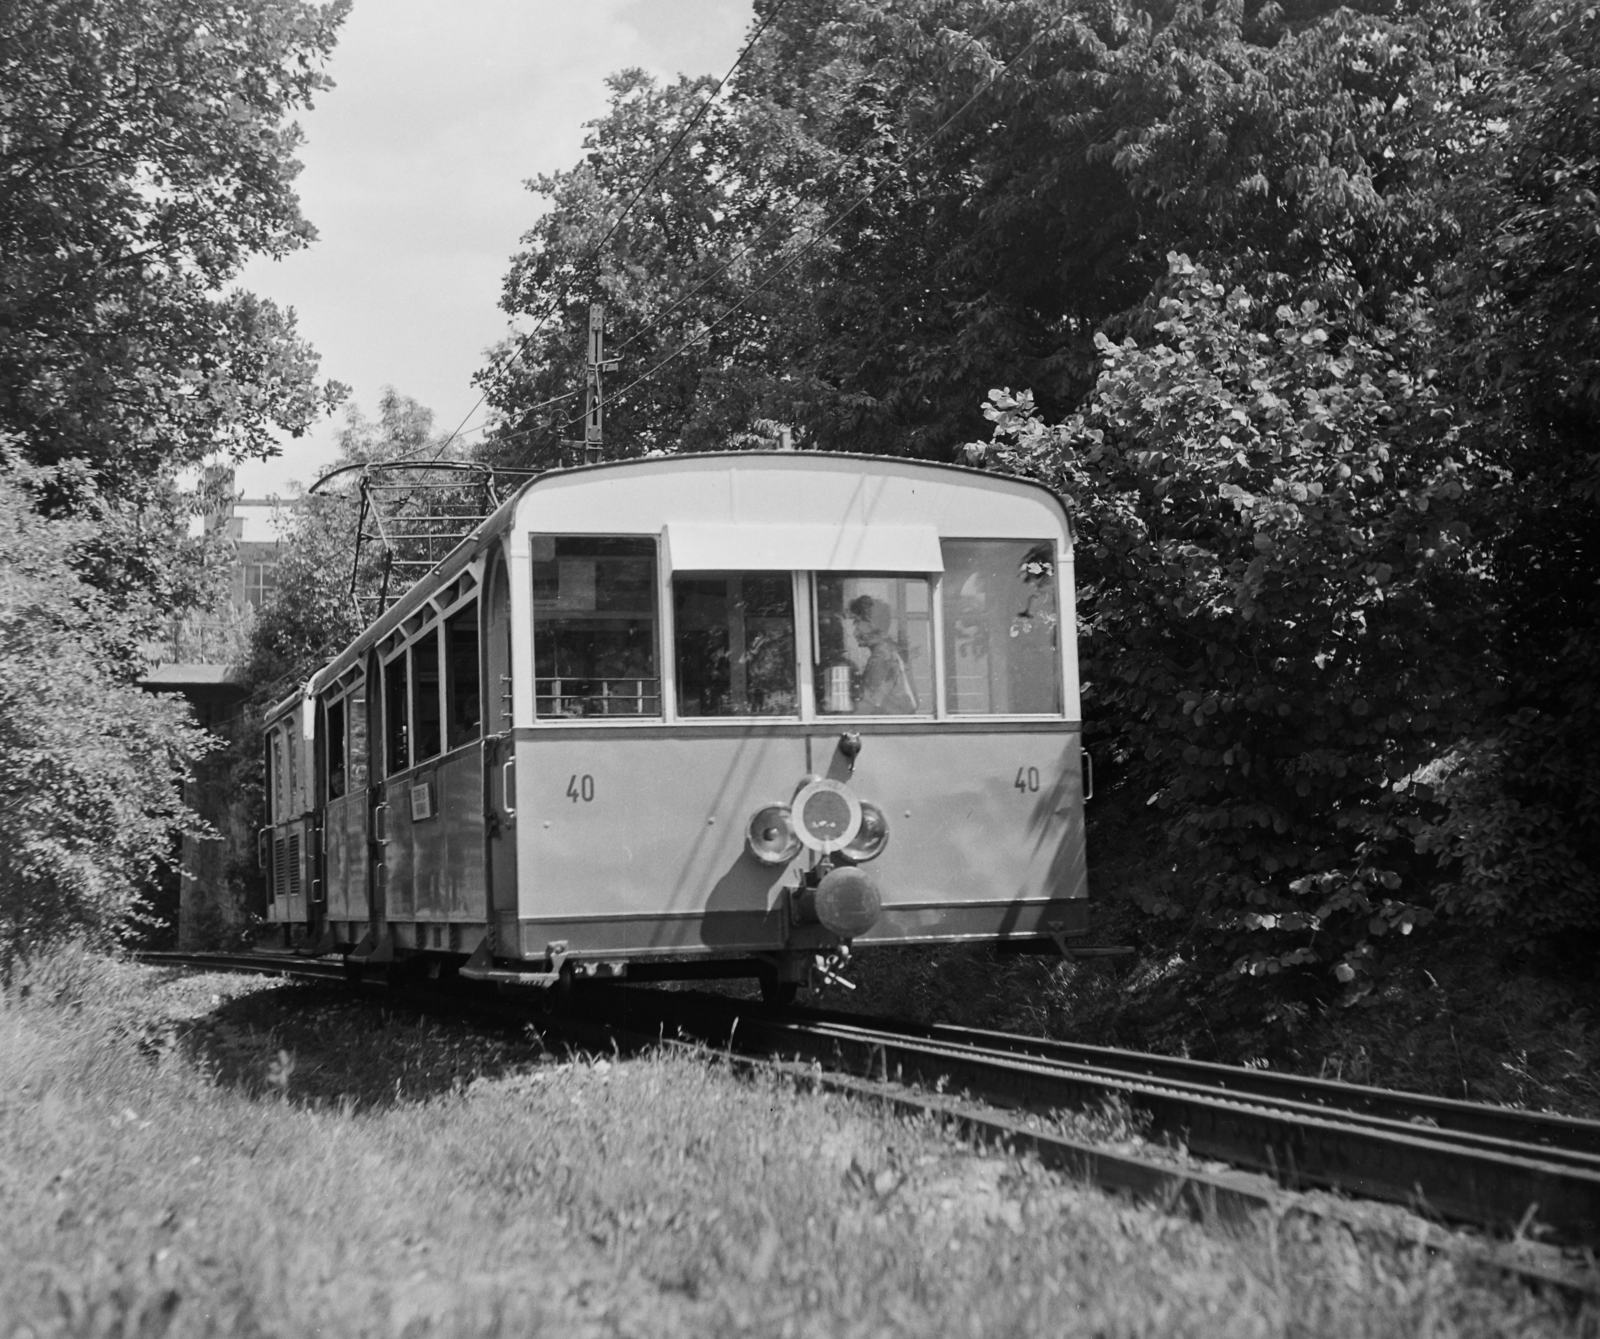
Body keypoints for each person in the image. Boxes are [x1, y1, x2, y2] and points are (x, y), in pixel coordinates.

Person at [848, 595, 918, 714]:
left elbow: (871, 704)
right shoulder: (891, 650)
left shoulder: (881, 656)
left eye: (857, 622)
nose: (855, 631)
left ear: (872, 624)